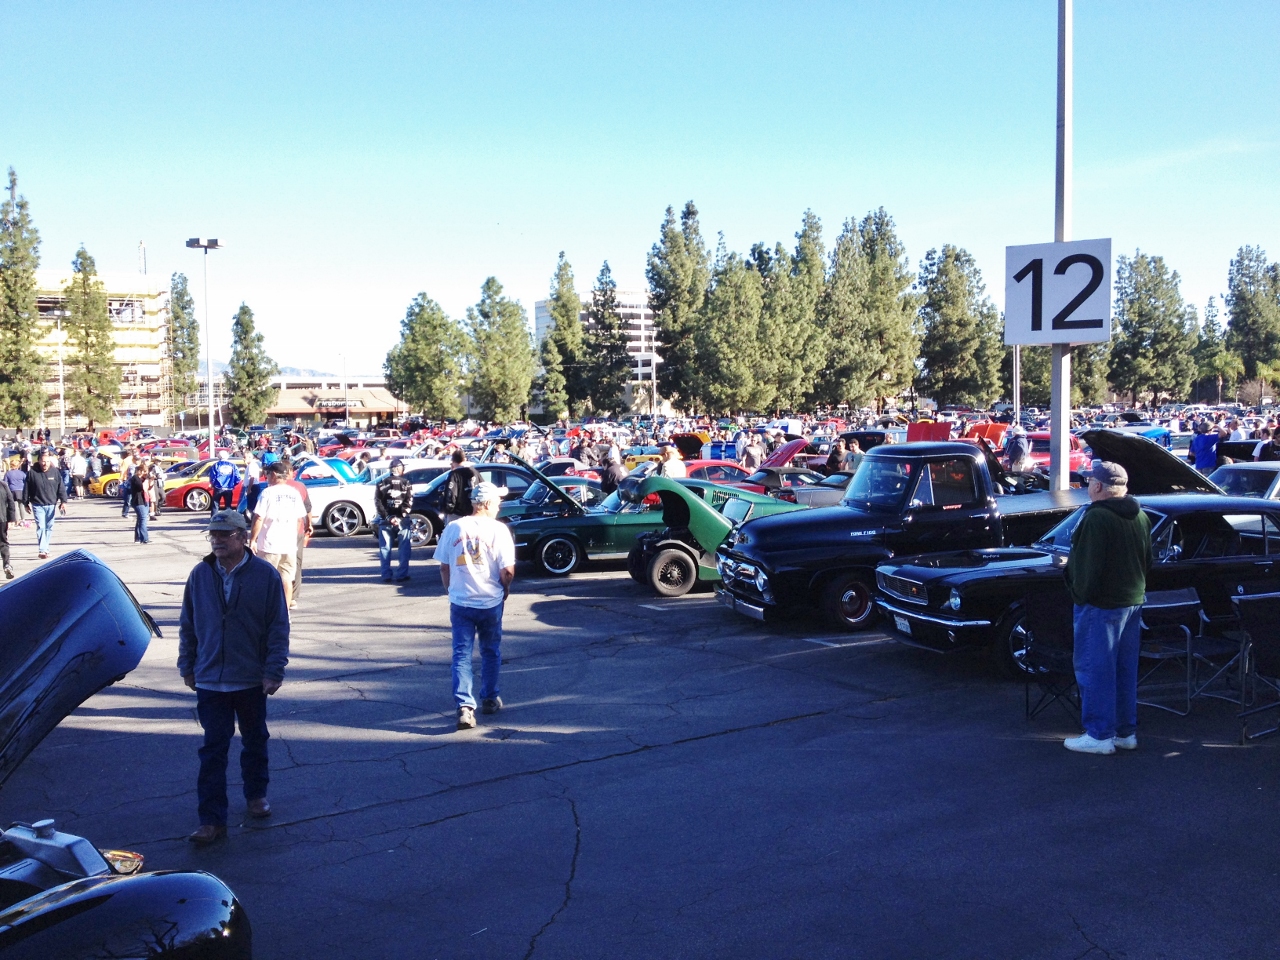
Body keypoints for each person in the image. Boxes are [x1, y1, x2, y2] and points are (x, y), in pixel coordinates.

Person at [178, 510, 290, 845]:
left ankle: (256, 794)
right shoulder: (200, 574)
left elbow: (278, 626)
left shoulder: (265, 575)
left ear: (243, 537)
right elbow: (188, 624)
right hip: (210, 678)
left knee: (255, 739)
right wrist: (187, 665)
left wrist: (274, 670)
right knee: (213, 748)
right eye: (213, 534)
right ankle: (211, 820)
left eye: (224, 535)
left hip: (250, 677)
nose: (217, 540)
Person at [1062, 460, 1152, 755]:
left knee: (1095, 668)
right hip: (1132, 601)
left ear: (1099, 485)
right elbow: (1148, 561)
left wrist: (1078, 593)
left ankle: (1099, 734)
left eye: (1090, 481)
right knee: (1125, 670)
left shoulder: (1096, 517)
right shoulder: (1141, 516)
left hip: (1101, 604)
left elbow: (1087, 568)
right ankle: (1125, 732)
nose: (1088, 485)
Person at [436, 482, 516, 730]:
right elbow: (507, 571)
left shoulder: (454, 527)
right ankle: (489, 698)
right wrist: (505, 589)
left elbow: (444, 566)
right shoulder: (499, 530)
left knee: (461, 654)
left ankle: (465, 706)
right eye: (498, 502)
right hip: (490, 601)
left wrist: (450, 590)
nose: (499, 506)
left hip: (461, 601)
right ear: (487, 503)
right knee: (490, 651)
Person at [248, 462, 308, 610]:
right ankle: (284, 612)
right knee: (287, 579)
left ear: (274, 474)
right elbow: (300, 519)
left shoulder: (268, 493)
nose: (266, 477)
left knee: (265, 579)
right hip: (289, 545)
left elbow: (259, 517)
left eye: (267, 474)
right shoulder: (294, 493)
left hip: (269, 544)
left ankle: (266, 611)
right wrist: (292, 536)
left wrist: (253, 539)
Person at [375, 457, 413, 582]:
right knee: (404, 548)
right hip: (403, 520)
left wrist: (388, 517)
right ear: (399, 469)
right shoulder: (406, 483)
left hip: (385, 521)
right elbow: (409, 501)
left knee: (385, 548)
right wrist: (400, 516)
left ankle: (386, 574)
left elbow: (378, 503)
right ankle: (402, 574)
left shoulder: (381, 483)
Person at [24, 449, 68, 560]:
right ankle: (42, 550)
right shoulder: (32, 473)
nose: (45, 464)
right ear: (39, 461)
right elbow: (26, 488)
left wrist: (63, 501)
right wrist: (25, 503)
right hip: (37, 504)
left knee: (49, 527)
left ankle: (46, 548)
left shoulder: (55, 472)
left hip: (51, 504)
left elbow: (61, 488)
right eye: (43, 461)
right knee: (41, 526)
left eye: (47, 461)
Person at [442, 449, 480, 526]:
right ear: (464, 459)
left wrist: (448, 509)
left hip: (458, 514)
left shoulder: (454, 475)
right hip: (474, 512)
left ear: (453, 461)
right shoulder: (475, 472)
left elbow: (451, 494)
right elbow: (482, 487)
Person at [126, 455, 152, 544]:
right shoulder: (135, 478)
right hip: (138, 501)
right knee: (143, 519)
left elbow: (149, 488)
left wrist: (150, 480)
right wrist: (146, 480)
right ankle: (144, 538)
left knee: (140, 520)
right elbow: (141, 487)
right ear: (139, 471)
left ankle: (137, 538)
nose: (145, 473)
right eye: (144, 471)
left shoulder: (142, 478)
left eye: (146, 471)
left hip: (144, 500)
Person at [0, 473, 14, 579]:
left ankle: (7, 566)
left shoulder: (3, 485)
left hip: (2, 519)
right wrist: (11, 519)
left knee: (3, 543)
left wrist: (11, 519)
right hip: (2, 519)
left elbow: (10, 502)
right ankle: (6, 565)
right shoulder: (3, 485)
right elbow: (11, 502)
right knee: (3, 543)